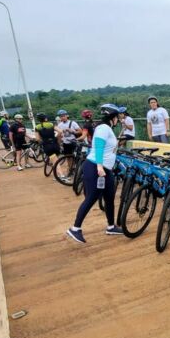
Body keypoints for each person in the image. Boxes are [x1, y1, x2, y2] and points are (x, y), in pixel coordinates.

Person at [65, 103, 124, 243]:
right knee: (91, 198)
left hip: (105, 169)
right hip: (96, 168)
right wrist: (99, 167)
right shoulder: (103, 128)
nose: (119, 120)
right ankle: (75, 228)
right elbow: (98, 146)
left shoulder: (106, 128)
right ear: (113, 117)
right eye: (118, 117)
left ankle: (111, 226)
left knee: (109, 197)